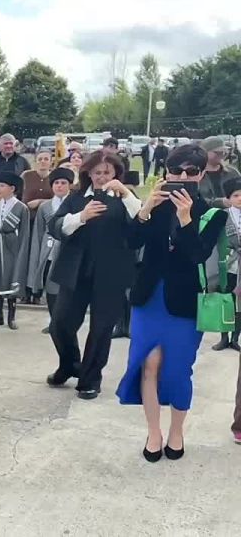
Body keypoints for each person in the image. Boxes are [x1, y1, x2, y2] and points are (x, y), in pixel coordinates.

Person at [117, 144, 227, 462]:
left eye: (191, 172)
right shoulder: (156, 204)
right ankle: (154, 431)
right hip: (148, 297)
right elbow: (131, 241)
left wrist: (185, 218)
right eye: (176, 171)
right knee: (148, 365)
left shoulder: (211, 213)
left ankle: (177, 431)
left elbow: (197, 255)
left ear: (202, 173)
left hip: (184, 303)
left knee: (178, 370)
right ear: (166, 172)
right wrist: (145, 210)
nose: (182, 177)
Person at [46, 151, 142, 400]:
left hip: (111, 274)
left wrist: (127, 194)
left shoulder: (125, 199)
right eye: (97, 172)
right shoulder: (76, 198)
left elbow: (142, 221)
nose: (101, 177)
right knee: (61, 324)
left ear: (116, 175)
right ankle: (69, 365)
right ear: (88, 173)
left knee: (101, 329)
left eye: (107, 173)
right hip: (76, 271)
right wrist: (81, 217)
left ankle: (90, 380)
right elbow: (55, 226)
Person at [28, 168, 73, 334]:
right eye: (56, 183)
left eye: (63, 183)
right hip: (48, 249)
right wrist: (38, 254)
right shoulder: (45, 207)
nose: (60, 186)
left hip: (67, 249)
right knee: (50, 286)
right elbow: (38, 232)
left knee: (65, 288)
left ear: (70, 185)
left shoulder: (74, 203)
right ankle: (53, 321)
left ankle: (65, 322)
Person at [0, 172, 31, 330]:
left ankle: (11, 317)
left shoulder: (21, 208)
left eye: (3, 186)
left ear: (12, 188)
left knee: (11, 277)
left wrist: (21, 250)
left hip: (12, 245)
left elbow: (24, 232)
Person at [218, 182, 241, 352]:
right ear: (228, 198)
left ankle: (235, 338)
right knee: (226, 300)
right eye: (236, 195)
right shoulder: (222, 216)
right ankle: (223, 337)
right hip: (230, 265)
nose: (240, 199)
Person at [198, 136, 241, 209]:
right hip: (204, 216)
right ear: (204, 153)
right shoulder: (194, 174)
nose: (222, 154)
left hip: (231, 216)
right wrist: (220, 203)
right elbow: (195, 200)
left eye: (224, 152)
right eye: (217, 152)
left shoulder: (232, 173)